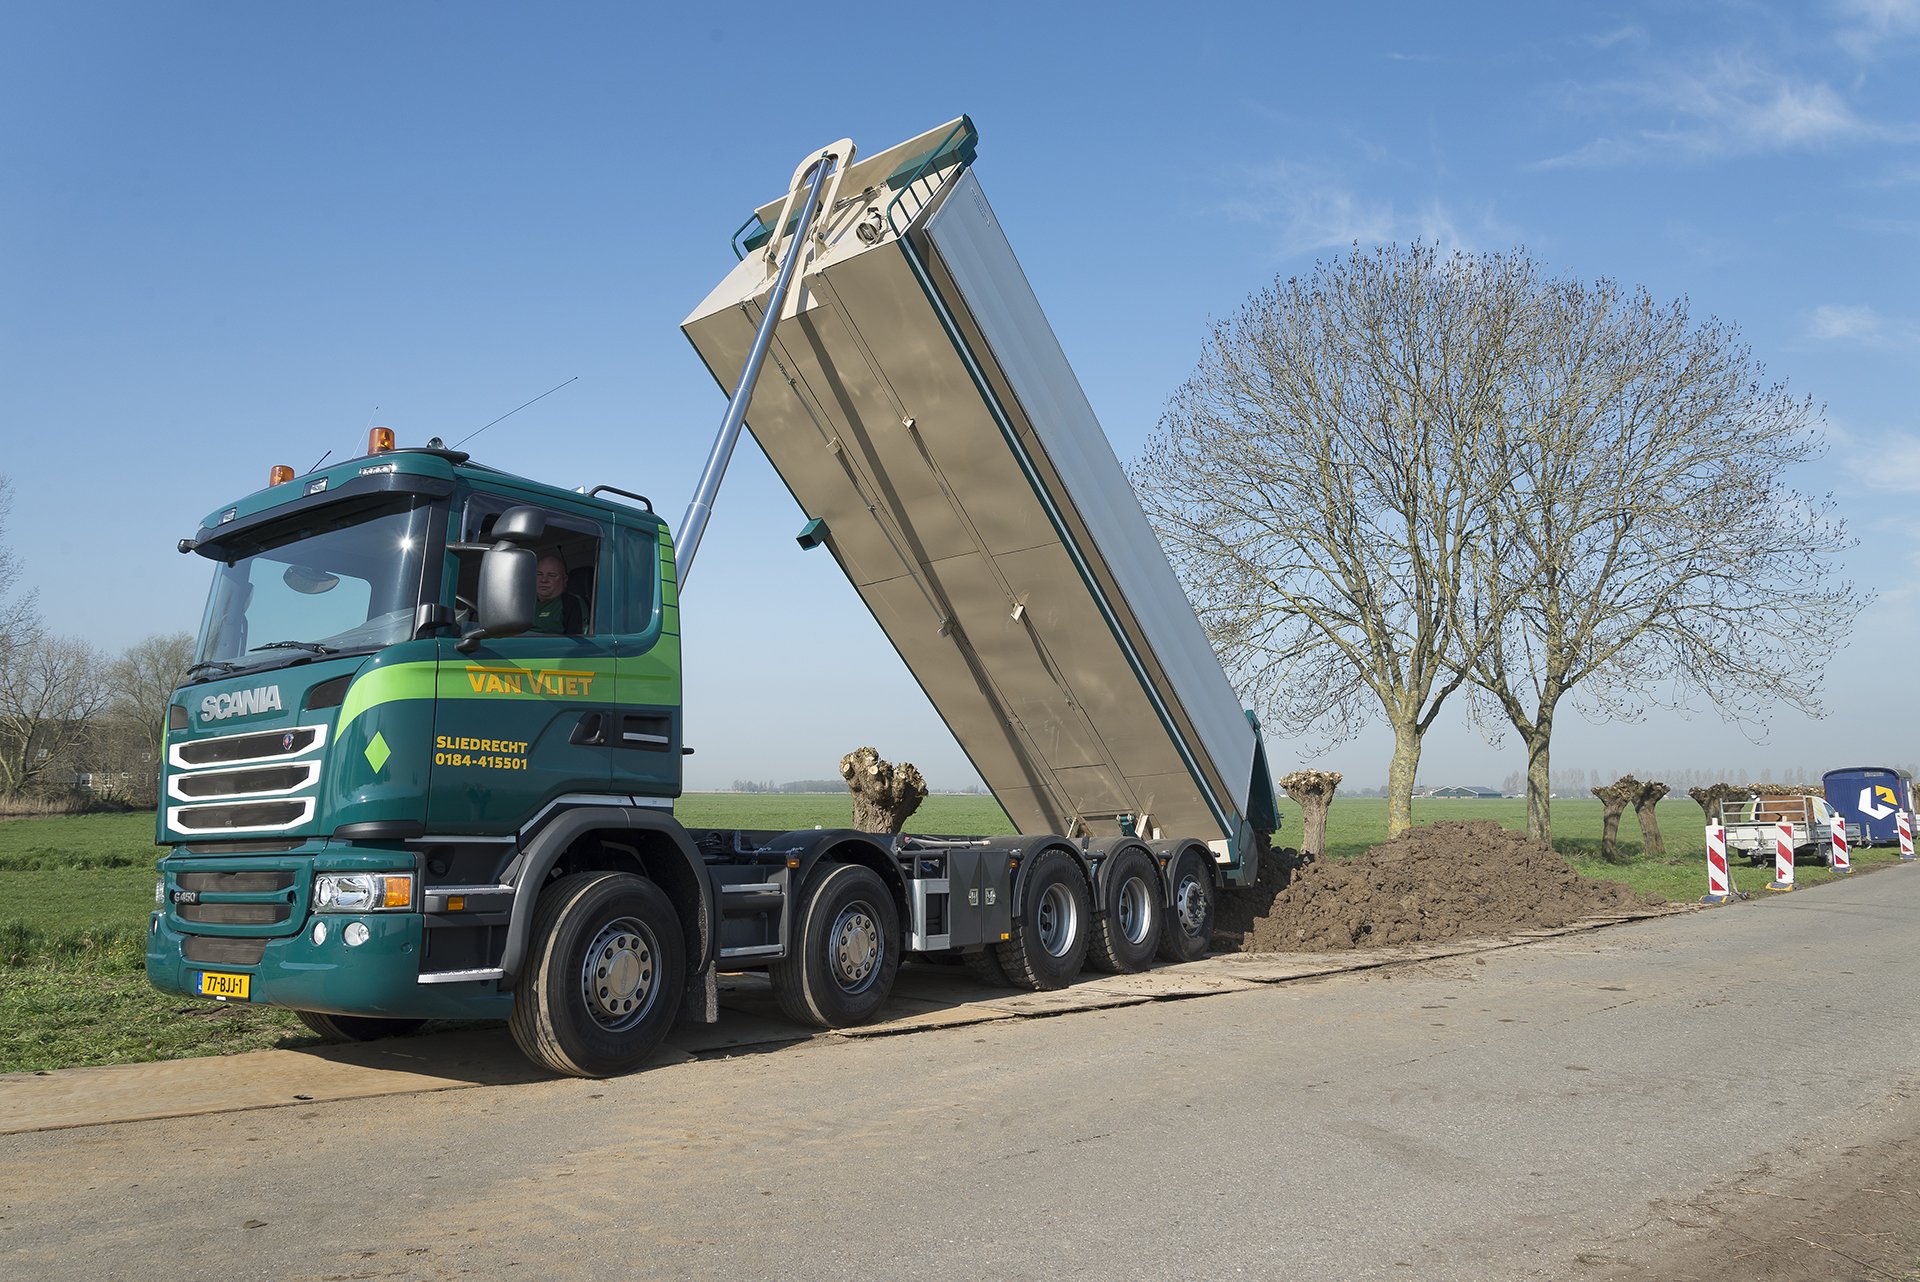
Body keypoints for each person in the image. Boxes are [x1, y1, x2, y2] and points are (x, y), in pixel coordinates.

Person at [530, 554, 587, 635]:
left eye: (551, 575)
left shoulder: (571, 603)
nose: (543, 580)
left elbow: (578, 643)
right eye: (539, 574)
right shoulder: (525, 605)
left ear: (565, 579)